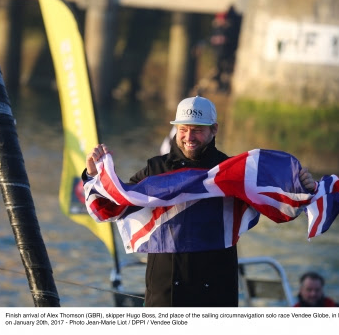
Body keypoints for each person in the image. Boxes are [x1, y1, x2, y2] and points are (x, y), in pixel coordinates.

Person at [84, 95, 317, 307]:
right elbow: (117, 203)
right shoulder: (155, 168)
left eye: (197, 130)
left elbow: (279, 203)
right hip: (164, 293)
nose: (188, 137)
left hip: (215, 292)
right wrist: (94, 176)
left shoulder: (233, 172)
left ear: (214, 130)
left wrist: (304, 188)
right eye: (183, 129)